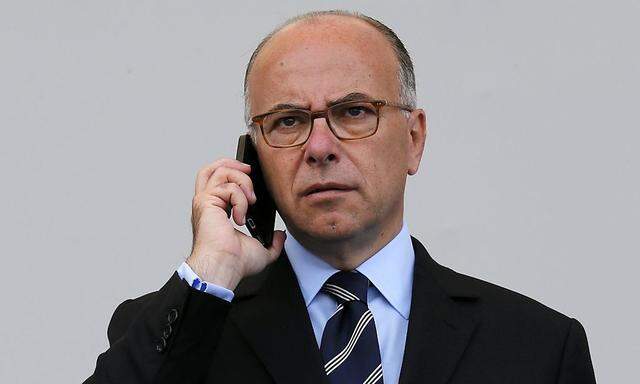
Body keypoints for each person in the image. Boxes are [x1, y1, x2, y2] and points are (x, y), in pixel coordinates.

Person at [85, 10, 596, 384]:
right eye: (288, 121)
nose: (320, 148)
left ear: (414, 139)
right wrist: (212, 270)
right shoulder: (184, 328)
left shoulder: (539, 349)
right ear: (253, 155)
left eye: (354, 112)